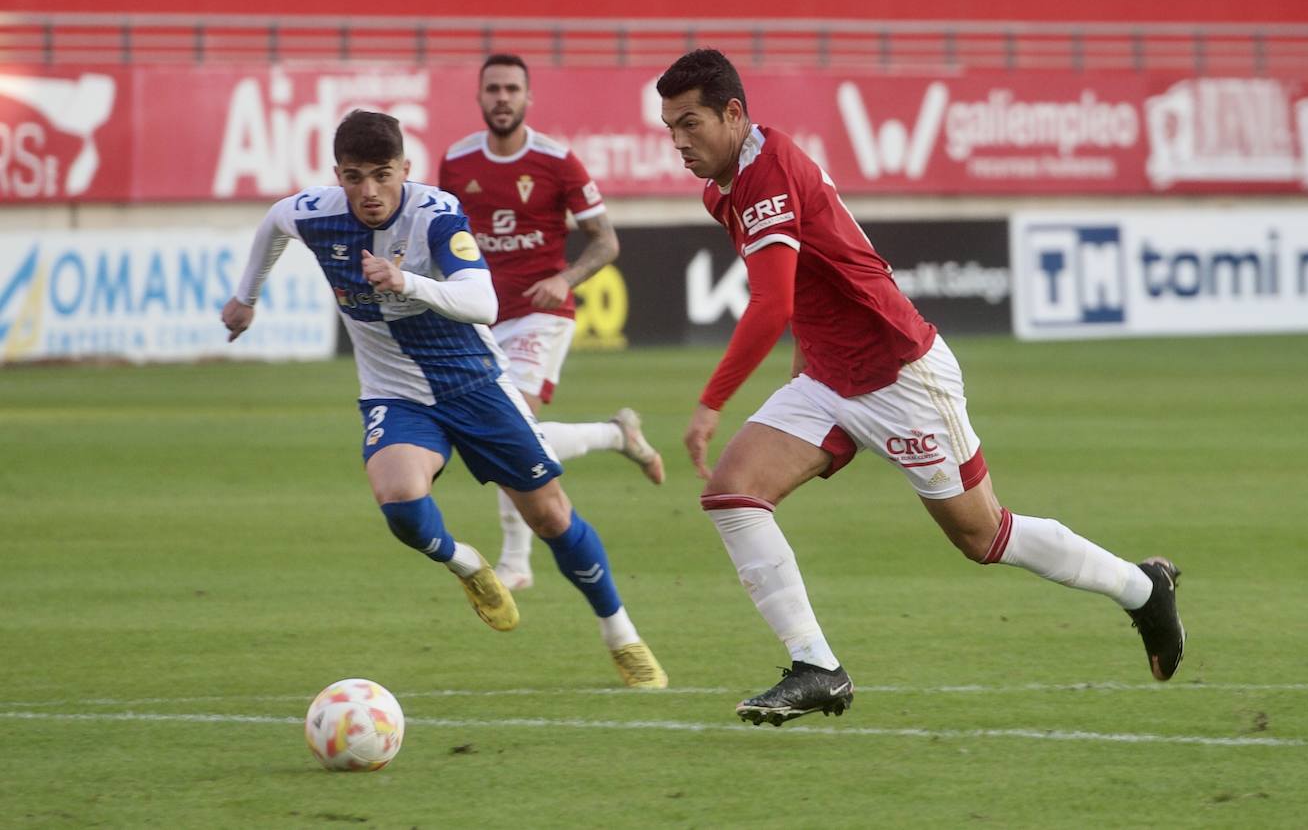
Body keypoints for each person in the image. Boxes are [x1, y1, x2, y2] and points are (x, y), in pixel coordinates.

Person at [655, 49, 1184, 726]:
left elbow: (770, 303)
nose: (678, 141)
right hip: (828, 378)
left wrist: (710, 403)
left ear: (733, 113)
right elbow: (816, 279)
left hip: (899, 375)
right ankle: (817, 665)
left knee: (983, 536)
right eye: (669, 127)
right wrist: (806, 356)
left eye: (690, 123)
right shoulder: (724, 188)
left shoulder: (769, 174)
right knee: (732, 493)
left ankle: (1144, 590)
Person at [221, 109, 667, 690]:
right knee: (400, 502)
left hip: (474, 383)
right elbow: (275, 224)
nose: (370, 191)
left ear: (405, 168)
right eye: (355, 177)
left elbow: (481, 303)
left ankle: (621, 635)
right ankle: (468, 564)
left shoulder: (436, 213)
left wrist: (406, 281)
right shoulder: (317, 213)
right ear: (338, 175)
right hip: (396, 392)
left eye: (383, 175)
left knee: (551, 515)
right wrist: (245, 297)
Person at [439, 53, 664, 593]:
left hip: (543, 312)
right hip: (483, 319)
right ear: (479, 96)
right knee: (508, 433)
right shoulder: (456, 162)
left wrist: (566, 279)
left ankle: (516, 560)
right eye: (492, 88)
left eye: (512, 88)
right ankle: (617, 434)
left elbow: (606, 240)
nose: (502, 98)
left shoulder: (557, 161)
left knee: (509, 426)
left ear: (528, 97)